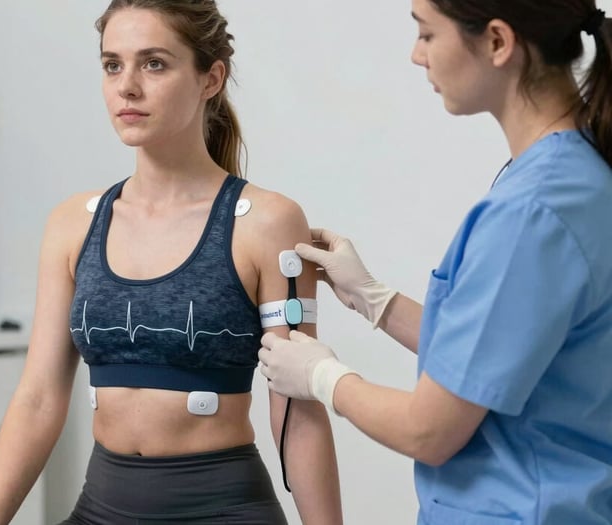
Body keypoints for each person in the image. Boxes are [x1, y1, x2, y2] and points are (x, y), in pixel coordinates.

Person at [0, 1, 342, 524]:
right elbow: (38, 399)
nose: (127, 86)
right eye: (112, 65)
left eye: (154, 63)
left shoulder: (267, 222)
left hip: (223, 512)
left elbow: (297, 410)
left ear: (211, 78)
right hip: (100, 510)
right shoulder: (73, 224)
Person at [259, 1, 612, 524]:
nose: (416, 55)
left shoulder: (532, 211)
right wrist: (375, 301)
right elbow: (497, 352)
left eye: (426, 34)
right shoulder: (579, 173)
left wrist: (325, 378)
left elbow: (430, 431)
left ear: (498, 42)